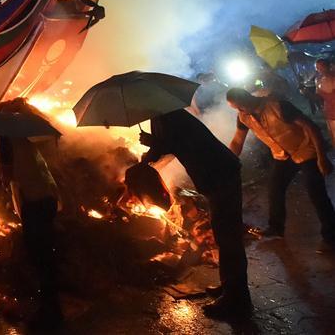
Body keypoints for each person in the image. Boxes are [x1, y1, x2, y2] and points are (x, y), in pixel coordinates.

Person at [140, 108, 251, 319]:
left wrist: (147, 151)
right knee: (224, 236)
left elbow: (163, 147)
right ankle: (231, 288)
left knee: (228, 238)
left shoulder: (166, 116)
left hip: (219, 175)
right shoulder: (167, 114)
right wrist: (151, 144)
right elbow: (166, 145)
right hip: (218, 174)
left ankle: (236, 300)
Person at [226, 88, 335, 251]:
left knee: (316, 191)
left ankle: (331, 234)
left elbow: (311, 127)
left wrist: (322, 157)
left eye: (240, 106)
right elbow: (237, 141)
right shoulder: (243, 117)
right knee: (275, 189)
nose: (240, 111)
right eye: (237, 109)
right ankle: (276, 228)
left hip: (306, 149)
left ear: (247, 97)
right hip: (282, 155)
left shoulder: (278, 106)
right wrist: (227, 161)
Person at [0, 101, 63, 328]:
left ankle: (50, 311)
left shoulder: (5, 138)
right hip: (48, 196)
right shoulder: (25, 137)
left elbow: (7, 172)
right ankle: (52, 306)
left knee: (39, 255)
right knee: (47, 254)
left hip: (34, 201)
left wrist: (4, 179)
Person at [315, 60, 335, 143]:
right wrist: (306, 92)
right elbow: (318, 97)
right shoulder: (318, 80)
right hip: (329, 114)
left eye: (322, 67)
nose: (320, 70)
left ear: (328, 66)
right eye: (317, 68)